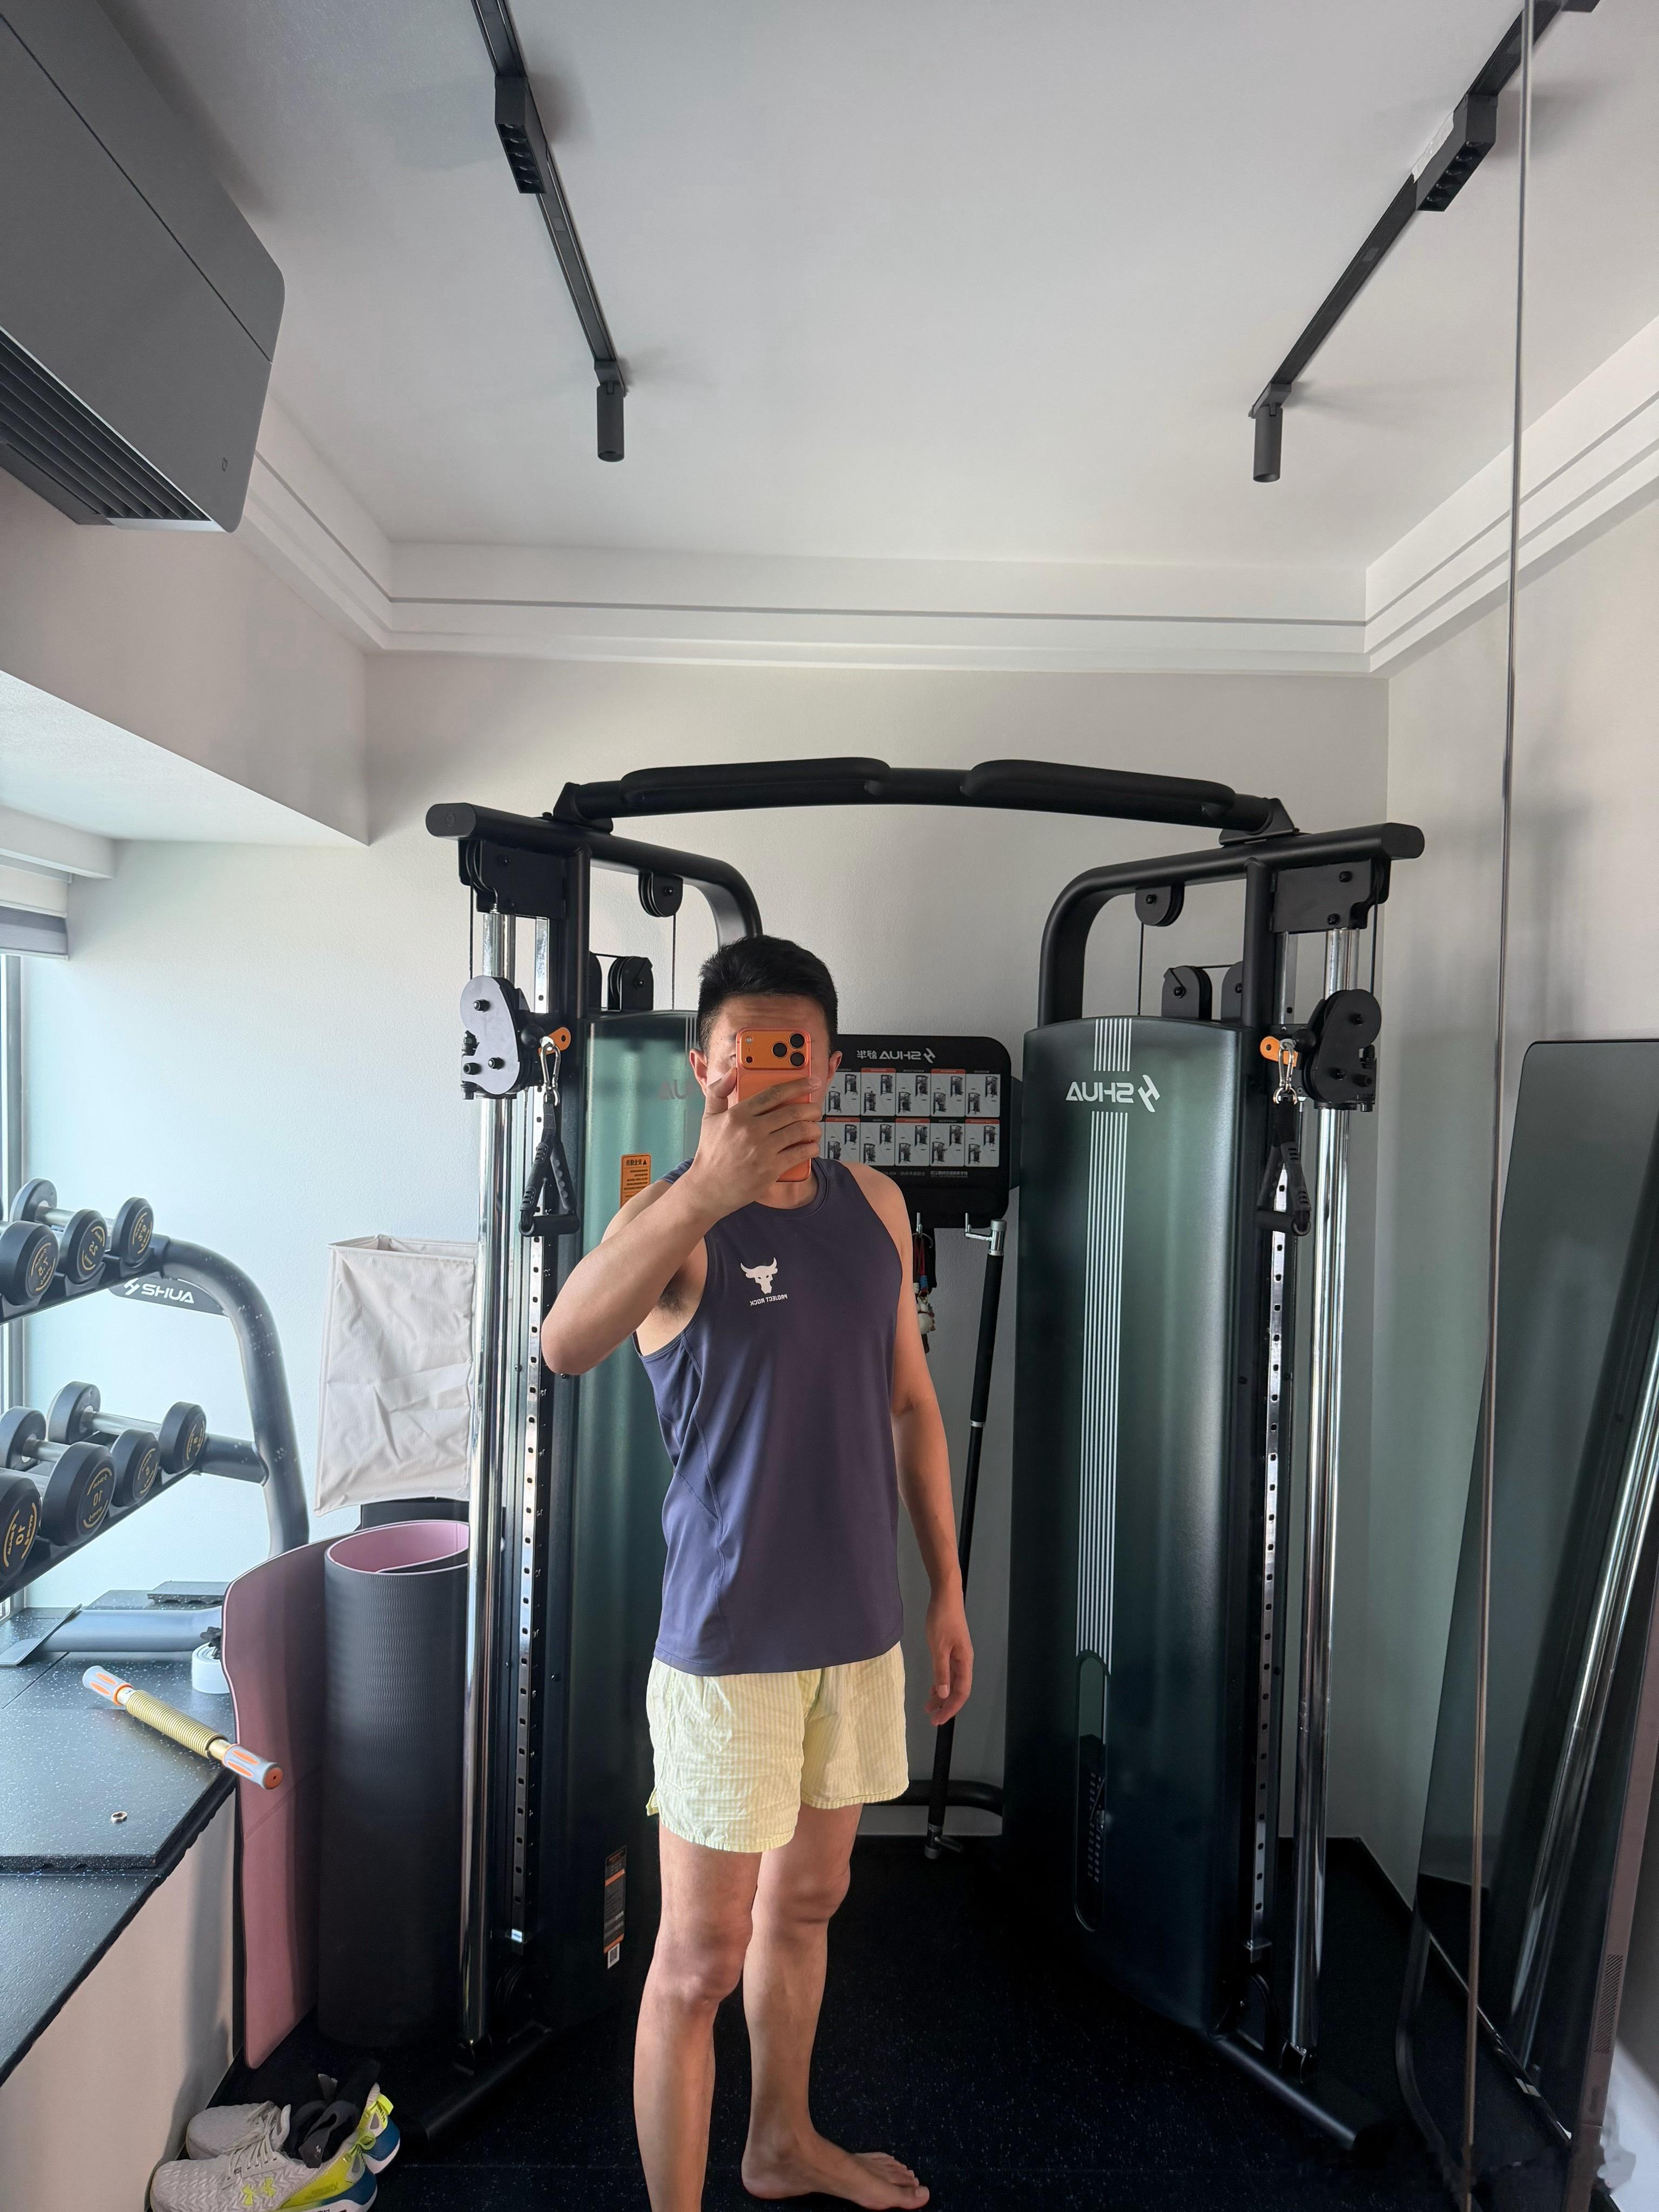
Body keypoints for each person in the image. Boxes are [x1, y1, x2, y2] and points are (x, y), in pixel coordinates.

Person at [541, 935, 971, 2212]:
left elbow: (911, 1404)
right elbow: (565, 1342)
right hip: (729, 1649)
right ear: (704, 1069)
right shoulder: (669, 1223)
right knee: (697, 1959)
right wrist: (703, 1193)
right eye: (747, 1054)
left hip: (860, 1629)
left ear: (830, 1065)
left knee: (812, 1901)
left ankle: (780, 2140)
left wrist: (946, 1588)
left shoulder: (877, 1206)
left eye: (797, 1052)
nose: (773, 1077)